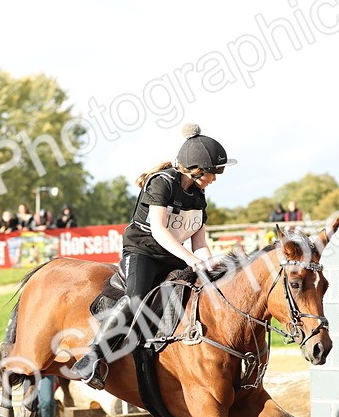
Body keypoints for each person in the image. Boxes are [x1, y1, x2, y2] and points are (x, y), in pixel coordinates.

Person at [70, 123, 234, 390]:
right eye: (214, 172)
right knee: (136, 298)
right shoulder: (162, 183)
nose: (215, 178)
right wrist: (191, 259)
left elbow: (199, 241)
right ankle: (92, 357)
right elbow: (158, 229)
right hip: (143, 251)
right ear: (196, 169)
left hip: (172, 256)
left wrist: (209, 264)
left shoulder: (199, 194)